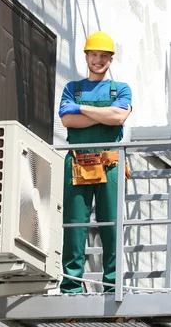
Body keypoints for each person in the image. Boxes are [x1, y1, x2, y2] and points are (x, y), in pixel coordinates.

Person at [58, 31, 132, 293]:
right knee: (75, 226)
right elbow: (68, 121)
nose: (98, 60)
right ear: (86, 56)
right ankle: (71, 286)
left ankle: (113, 287)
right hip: (77, 164)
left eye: (103, 56)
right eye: (93, 55)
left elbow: (119, 118)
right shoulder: (71, 88)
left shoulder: (120, 89)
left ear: (111, 60)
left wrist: (82, 109)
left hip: (110, 164)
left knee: (111, 226)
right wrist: (104, 114)